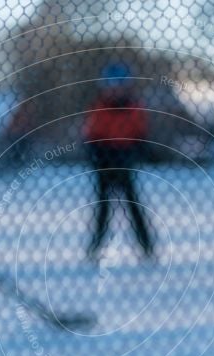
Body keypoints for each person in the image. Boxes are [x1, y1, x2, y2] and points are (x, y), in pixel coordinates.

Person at [83, 62, 154, 260]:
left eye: (119, 85)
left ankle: (146, 247)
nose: (115, 91)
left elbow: (140, 136)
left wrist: (135, 153)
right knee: (104, 207)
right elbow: (91, 138)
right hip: (105, 162)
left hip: (125, 160)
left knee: (133, 205)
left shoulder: (134, 107)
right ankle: (95, 247)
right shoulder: (99, 107)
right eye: (111, 86)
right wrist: (99, 157)